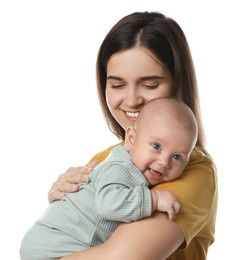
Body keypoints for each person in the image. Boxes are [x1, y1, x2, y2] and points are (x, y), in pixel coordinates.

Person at [47, 11, 218, 260]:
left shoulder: (193, 169)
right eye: (117, 85)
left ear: (178, 83)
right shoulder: (104, 158)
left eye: (150, 85)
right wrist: (61, 204)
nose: (131, 100)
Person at [20, 97, 198, 260]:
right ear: (131, 138)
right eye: (156, 146)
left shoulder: (193, 173)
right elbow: (109, 204)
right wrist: (154, 199)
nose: (164, 162)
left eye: (177, 157)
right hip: (55, 241)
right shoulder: (120, 167)